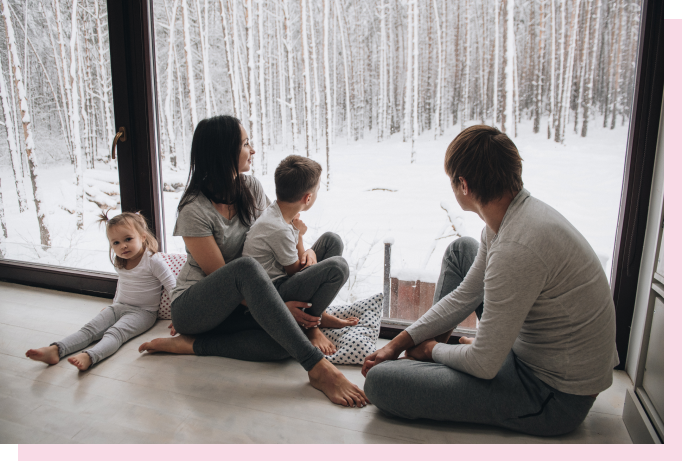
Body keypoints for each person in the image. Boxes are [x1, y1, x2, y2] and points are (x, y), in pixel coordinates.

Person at [361, 125, 619, 436]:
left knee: (380, 383)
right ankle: (446, 361)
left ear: (464, 185)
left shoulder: (516, 248)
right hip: (528, 353)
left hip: (552, 397)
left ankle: (441, 362)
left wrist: (430, 350)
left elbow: (485, 364)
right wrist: (401, 343)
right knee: (461, 250)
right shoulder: (510, 219)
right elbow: (465, 295)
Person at [138, 115, 368, 408]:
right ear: (224, 153)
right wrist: (279, 308)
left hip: (253, 292)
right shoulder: (193, 210)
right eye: (246, 143)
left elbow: (273, 233)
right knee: (248, 274)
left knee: (281, 344)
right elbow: (227, 278)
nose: (253, 149)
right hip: (200, 304)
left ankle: (310, 322)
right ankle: (317, 368)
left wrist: (305, 250)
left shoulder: (251, 187)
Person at [26, 212, 175, 371]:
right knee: (89, 330)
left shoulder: (153, 260)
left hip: (143, 313)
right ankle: (55, 350)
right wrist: (114, 306)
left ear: (143, 237)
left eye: (128, 239)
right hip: (118, 308)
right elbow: (122, 285)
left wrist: (178, 315)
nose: (122, 246)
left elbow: (172, 286)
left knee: (115, 333)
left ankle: (90, 356)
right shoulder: (121, 262)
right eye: (116, 242)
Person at [242, 155, 358, 356]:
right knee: (338, 267)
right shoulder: (277, 228)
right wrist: (300, 238)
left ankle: (318, 313)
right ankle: (311, 325)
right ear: (308, 198)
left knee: (332, 240)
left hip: (282, 278)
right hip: (273, 290)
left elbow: (296, 262)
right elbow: (295, 270)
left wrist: (309, 251)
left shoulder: (278, 211)